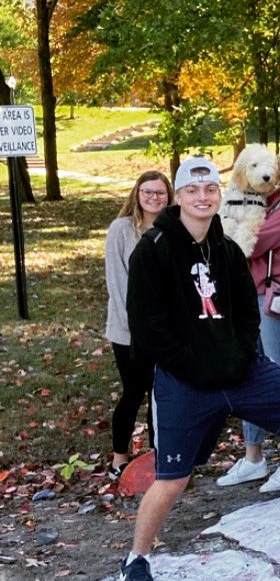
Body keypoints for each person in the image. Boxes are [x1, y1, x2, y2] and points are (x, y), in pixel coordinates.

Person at [121, 157, 280, 581]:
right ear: (178, 197)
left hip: (239, 371)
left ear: (220, 194)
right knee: (173, 478)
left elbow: (248, 313)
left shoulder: (228, 249)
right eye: (192, 190)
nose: (202, 197)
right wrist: (194, 367)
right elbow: (147, 327)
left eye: (209, 189)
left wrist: (240, 356)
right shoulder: (153, 250)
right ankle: (137, 557)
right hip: (186, 380)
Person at [217, 141, 280, 493]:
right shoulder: (269, 196)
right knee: (248, 372)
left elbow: (259, 241)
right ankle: (253, 457)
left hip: (276, 298)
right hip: (251, 295)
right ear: (279, 165)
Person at [104, 170, 173, 477]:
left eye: (160, 192)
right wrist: (134, 328)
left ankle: (161, 456)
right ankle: (119, 458)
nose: (153, 197)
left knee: (161, 395)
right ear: (137, 194)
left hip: (165, 330)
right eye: (148, 192)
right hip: (128, 331)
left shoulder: (173, 229)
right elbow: (116, 282)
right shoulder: (121, 229)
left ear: (168, 196)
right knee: (133, 392)